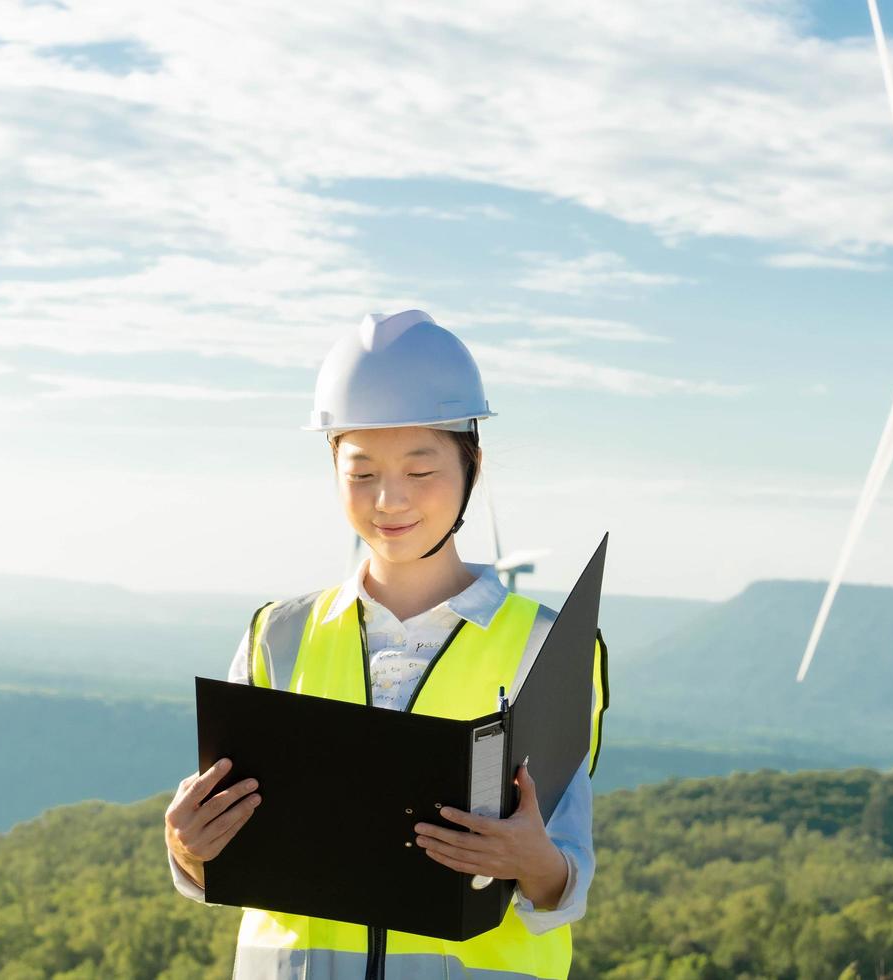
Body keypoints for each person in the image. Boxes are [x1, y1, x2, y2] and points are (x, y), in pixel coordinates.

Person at [162, 309, 609, 980]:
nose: (388, 500)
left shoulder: (550, 646)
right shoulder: (276, 636)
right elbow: (217, 859)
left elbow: (563, 877)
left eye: (420, 471)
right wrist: (188, 846)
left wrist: (531, 863)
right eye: (361, 472)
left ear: (471, 465)